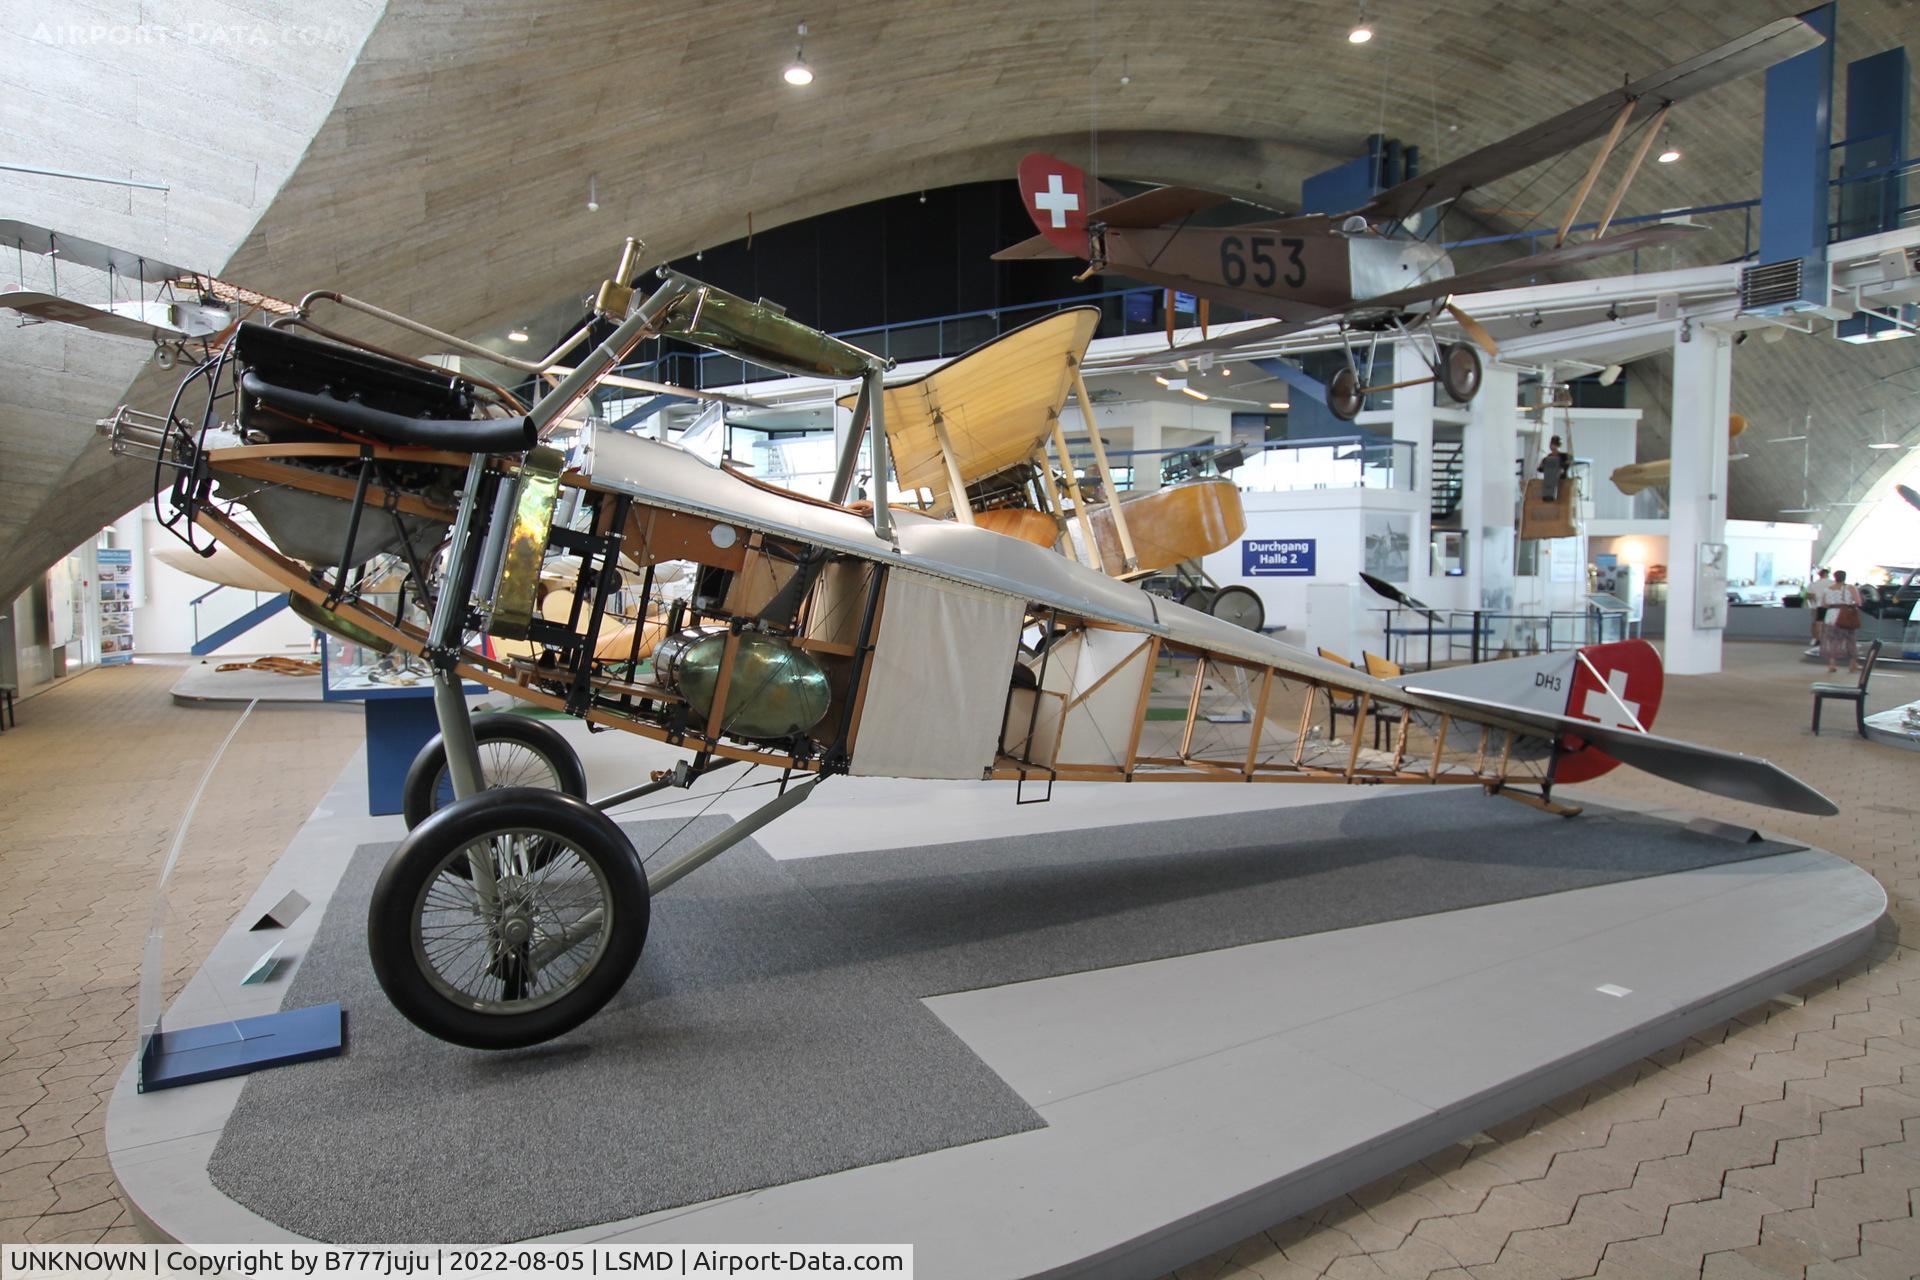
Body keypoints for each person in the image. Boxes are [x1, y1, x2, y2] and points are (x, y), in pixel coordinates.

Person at [1816, 569, 1863, 674]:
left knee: (1833, 640)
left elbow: (1823, 604)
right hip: (1845, 616)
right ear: (1844, 577)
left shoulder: (1827, 589)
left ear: (1834, 577)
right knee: (1850, 639)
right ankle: (1853, 664)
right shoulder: (1850, 588)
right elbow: (1858, 602)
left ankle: (1832, 664)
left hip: (1830, 617)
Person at [1537, 435, 1571, 502]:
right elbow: (1541, 469)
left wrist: (1561, 469)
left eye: (1554, 444)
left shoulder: (1564, 456)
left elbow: (1566, 466)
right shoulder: (1548, 458)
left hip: (1561, 482)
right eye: (1552, 444)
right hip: (1549, 482)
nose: (1552, 446)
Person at [1809, 567, 1830, 646]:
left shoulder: (1813, 584)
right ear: (1827, 574)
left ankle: (1816, 639)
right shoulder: (1832, 583)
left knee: (1816, 623)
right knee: (1829, 623)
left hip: (1816, 606)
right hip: (1829, 605)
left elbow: (1810, 596)